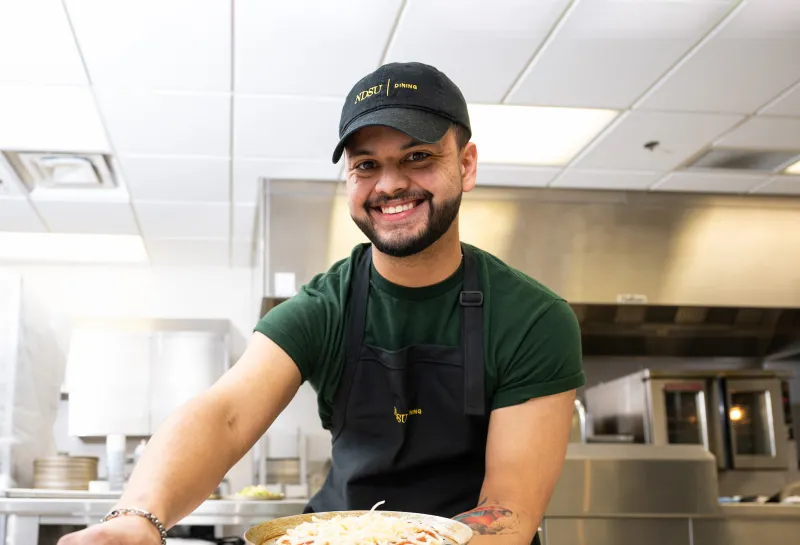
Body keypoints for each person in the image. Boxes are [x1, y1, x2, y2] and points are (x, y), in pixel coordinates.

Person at [59, 62, 585, 545]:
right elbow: (225, 413)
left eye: (418, 157)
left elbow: (508, 508)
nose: (391, 183)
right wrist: (136, 518)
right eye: (366, 165)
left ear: (466, 166)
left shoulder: (532, 318)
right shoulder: (326, 306)